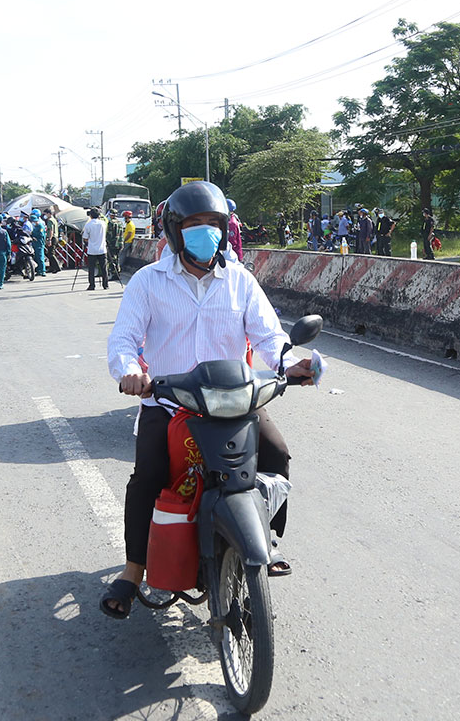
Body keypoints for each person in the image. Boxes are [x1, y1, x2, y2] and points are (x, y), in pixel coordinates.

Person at [103, 181, 316, 619]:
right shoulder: (148, 281)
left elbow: (269, 335)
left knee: (277, 456)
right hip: (169, 402)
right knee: (149, 477)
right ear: (176, 231)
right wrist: (129, 371)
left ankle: (263, 540)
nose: (207, 233)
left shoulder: (240, 281)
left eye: (214, 225)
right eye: (196, 225)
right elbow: (124, 339)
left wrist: (290, 362)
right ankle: (133, 568)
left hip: (235, 400)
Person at [82, 207, 108, 290]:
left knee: (91, 268)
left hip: (92, 250)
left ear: (90, 215)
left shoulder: (88, 225)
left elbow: (85, 238)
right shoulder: (103, 223)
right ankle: (105, 285)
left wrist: (87, 242)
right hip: (102, 249)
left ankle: (92, 285)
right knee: (103, 268)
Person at [28, 209, 47, 278]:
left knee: (40, 257)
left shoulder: (40, 226)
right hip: (34, 243)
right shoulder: (35, 227)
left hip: (39, 243)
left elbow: (41, 234)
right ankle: (38, 270)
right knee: (36, 257)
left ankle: (43, 270)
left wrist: (35, 236)